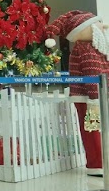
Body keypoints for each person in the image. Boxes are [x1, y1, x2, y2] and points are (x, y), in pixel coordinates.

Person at [45, 11, 105, 175]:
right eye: (97, 23)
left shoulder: (94, 47)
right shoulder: (86, 49)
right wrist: (94, 98)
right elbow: (91, 73)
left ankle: (99, 161)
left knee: (95, 130)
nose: (102, 26)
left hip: (96, 96)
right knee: (92, 130)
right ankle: (96, 163)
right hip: (90, 98)